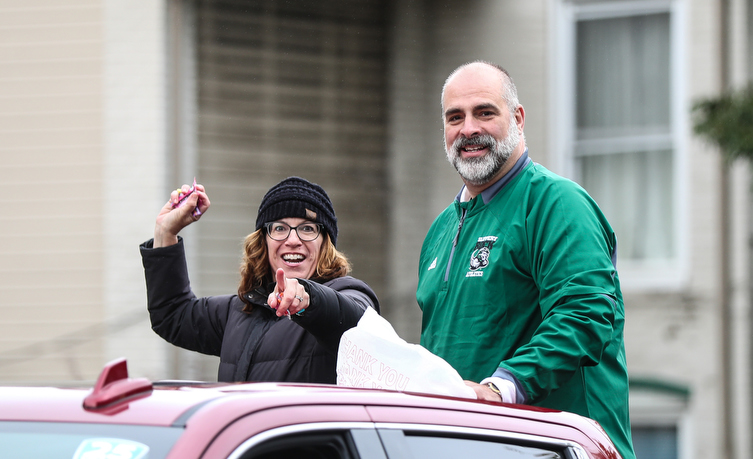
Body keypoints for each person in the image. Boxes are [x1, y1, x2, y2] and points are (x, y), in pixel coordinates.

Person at [416, 61, 636, 458]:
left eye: (485, 112)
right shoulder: (439, 231)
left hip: (559, 448)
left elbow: (585, 315)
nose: (468, 129)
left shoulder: (557, 203)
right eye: (455, 117)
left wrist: (501, 388)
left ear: (517, 117)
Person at [140, 176, 380, 383]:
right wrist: (165, 233)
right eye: (279, 228)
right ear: (263, 242)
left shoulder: (349, 291)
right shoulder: (240, 310)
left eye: (308, 228)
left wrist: (308, 298)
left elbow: (358, 324)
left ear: (325, 243)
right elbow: (172, 315)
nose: (293, 240)